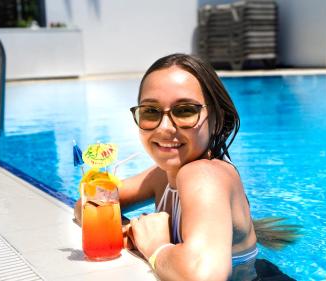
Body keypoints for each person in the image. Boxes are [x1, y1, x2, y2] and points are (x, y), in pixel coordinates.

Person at [75, 53, 297, 280]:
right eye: (151, 111)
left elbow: (205, 276)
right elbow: (88, 204)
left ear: (217, 118)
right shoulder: (161, 176)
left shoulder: (204, 174)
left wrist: (156, 247)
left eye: (184, 111)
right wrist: (132, 232)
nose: (164, 128)